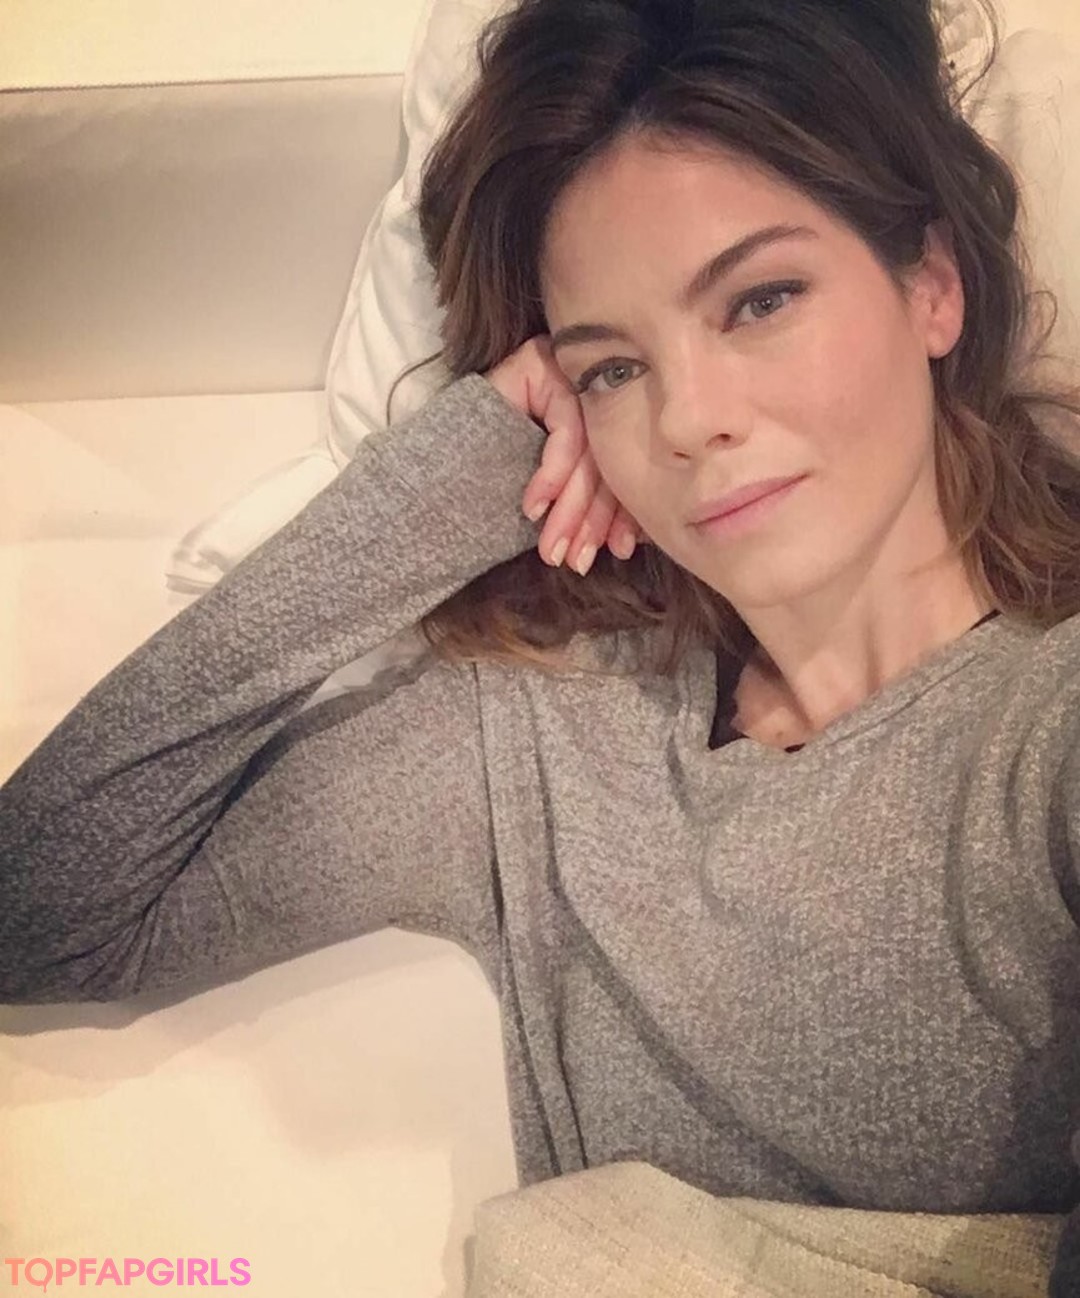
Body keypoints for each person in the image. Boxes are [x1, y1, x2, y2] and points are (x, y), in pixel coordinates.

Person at [2, 0, 1080, 1291]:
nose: (687, 418)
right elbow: (37, 914)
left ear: (932, 287)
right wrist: (445, 481)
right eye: (611, 369)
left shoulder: (1050, 736)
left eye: (760, 300)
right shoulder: (540, 741)